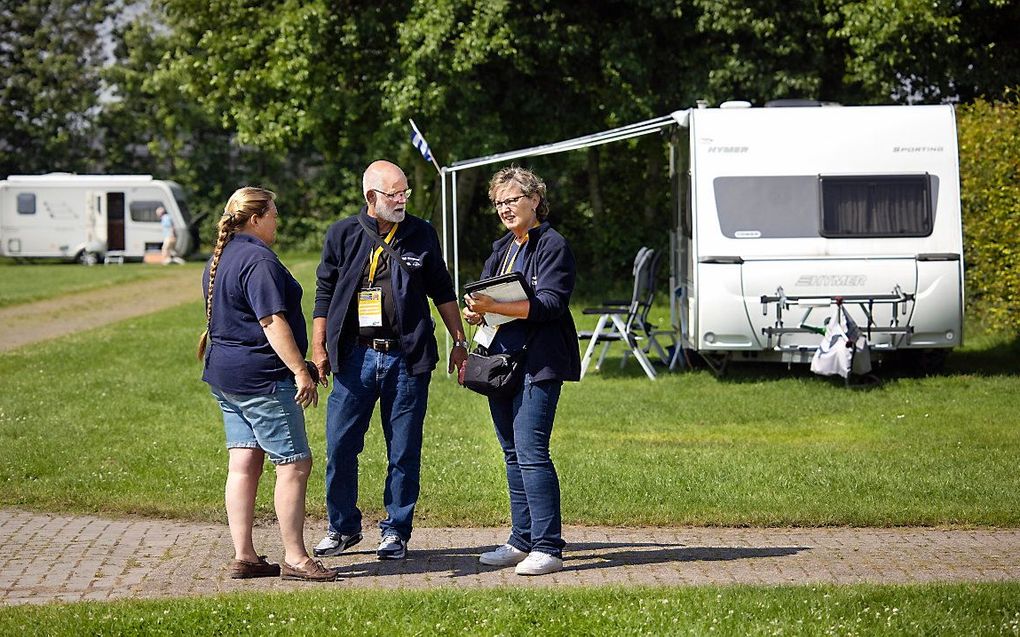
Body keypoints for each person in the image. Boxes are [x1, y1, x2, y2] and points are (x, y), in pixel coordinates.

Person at [312, 160, 468, 561]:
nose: (401, 200)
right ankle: (342, 528)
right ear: (371, 197)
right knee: (340, 446)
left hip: (407, 358)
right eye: (393, 194)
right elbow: (324, 293)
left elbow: (443, 290)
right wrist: (319, 347)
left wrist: (459, 340)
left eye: (405, 193)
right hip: (354, 357)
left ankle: (395, 531)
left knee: (403, 449)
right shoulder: (343, 233)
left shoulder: (421, 233)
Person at [199, 186, 339, 582]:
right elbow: (270, 321)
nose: (278, 221)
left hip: (226, 375)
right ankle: (296, 557)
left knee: (243, 461)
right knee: (294, 463)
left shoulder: (222, 256)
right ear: (256, 218)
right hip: (262, 378)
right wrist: (299, 370)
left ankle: (245, 556)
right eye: (274, 214)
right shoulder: (258, 260)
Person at [462, 166, 581, 576]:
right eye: (499, 203)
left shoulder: (552, 245)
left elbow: (550, 304)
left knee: (531, 453)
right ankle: (522, 540)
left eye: (512, 200)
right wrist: (475, 312)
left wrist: (492, 307)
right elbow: (485, 295)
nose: (505, 209)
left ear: (534, 199)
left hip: (540, 362)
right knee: (512, 453)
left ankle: (548, 547)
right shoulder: (502, 247)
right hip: (502, 364)